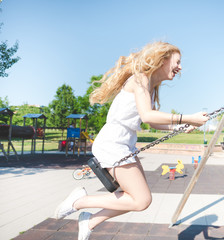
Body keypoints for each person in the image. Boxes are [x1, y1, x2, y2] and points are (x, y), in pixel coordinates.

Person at [54, 41, 209, 240]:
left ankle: (89, 220)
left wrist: (180, 127)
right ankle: (80, 202)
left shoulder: (150, 86)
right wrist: (187, 117)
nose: (180, 67)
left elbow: (152, 122)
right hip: (113, 143)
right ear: (163, 59)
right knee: (141, 200)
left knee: (138, 199)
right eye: (177, 62)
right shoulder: (140, 79)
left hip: (124, 145)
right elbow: (147, 116)